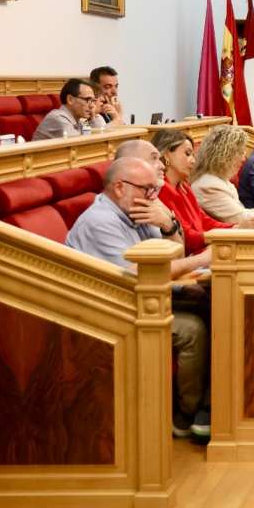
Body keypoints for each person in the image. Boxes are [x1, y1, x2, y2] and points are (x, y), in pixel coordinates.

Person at [65, 157, 210, 440]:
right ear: (120, 187)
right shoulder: (100, 221)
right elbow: (143, 274)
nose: (154, 197)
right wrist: (204, 259)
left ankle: (211, 407)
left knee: (211, 303)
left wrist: (168, 224)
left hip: (137, 298)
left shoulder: (137, 210)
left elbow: (174, 257)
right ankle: (187, 414)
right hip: (106, 311)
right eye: (148, 190)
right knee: (192, 329)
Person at [152, 130, 254, 255]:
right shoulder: (160, 190)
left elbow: (204, 221)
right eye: (187, 154)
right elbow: (186, 237)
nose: (193, 161)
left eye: (192, 155)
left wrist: (235, 228)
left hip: (203, 251)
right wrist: (234, 231)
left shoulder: (184, 187)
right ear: (166, 155)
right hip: (189, 258)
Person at [192, 125, 254, 225]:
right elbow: (241, 218)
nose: (243, 159)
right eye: (239, 153)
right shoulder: (208, 185)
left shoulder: (220, 179)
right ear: (223, 155)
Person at [32, 78, 98, 140]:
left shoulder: (81, 120)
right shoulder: (58, 118)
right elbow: (79, 144)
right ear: (70, 99)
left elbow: (98, 139)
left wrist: (93, 118)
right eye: (87, 99)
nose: (92, 105)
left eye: (92, 101)